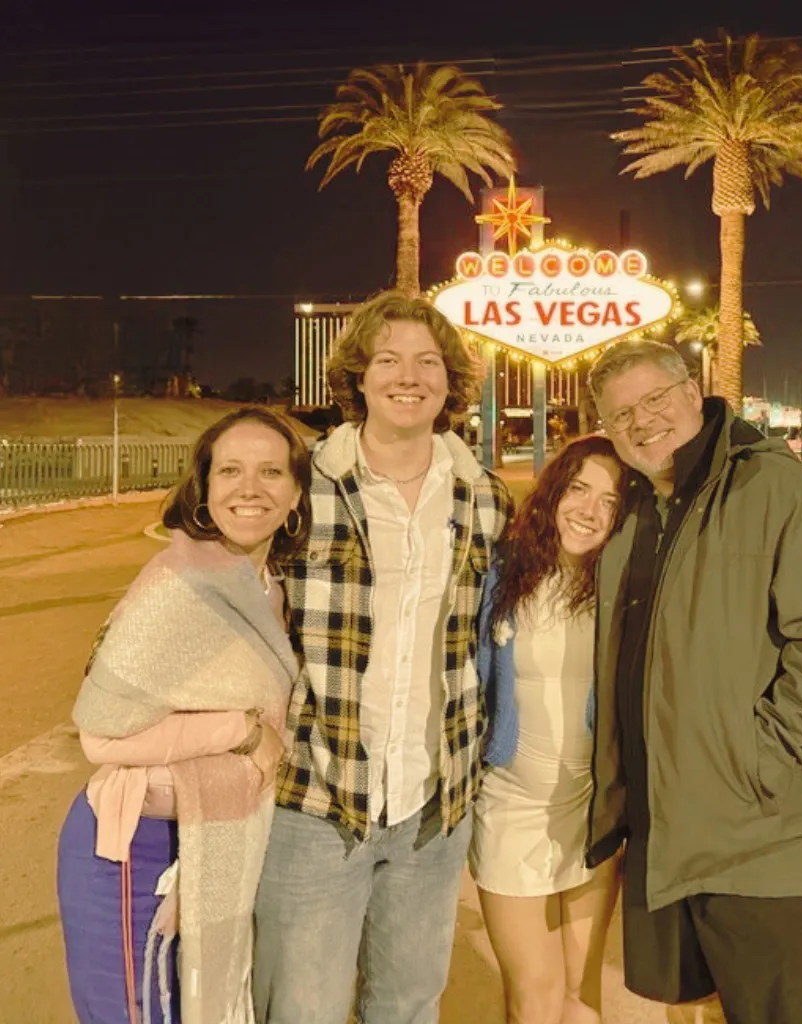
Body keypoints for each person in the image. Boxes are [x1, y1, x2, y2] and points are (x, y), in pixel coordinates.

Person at [584, 340, 802, 1024]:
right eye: (621, 412)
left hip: (758, 837)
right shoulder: (635, 509)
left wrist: (760, 759)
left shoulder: (773, 488)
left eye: (655, 399)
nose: (642, 421)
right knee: (698, 1005)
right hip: (666, 828)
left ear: (694, 391)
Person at [252, 291, 513, 1024]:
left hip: (435, 804)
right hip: (314, 800)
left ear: (450, 381)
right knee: (299, 1009)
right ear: (359, 377)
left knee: (406, 1005)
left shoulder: (485, 498)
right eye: (389, 359)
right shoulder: (300, 484)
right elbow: (228, 592)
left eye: (428, 361)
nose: (409, 376)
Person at [57, 405, 311, 1024]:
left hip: (206, 836)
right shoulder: (182, 582)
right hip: (132, 848)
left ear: (297, 493)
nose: (250, 489)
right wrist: (244, 732)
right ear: (205, 486)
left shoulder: (265, 585)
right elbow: (100, 731)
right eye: (230, 470)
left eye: (271, 472)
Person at [471, 434, 629, 1024]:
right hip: (512, 808)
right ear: (554, 490)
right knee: (534, 997)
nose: (589, 510)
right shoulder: (501, 575)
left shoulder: (621, 586)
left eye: (610, 502)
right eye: (579, 489)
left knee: (582, 994)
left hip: (590, 812)